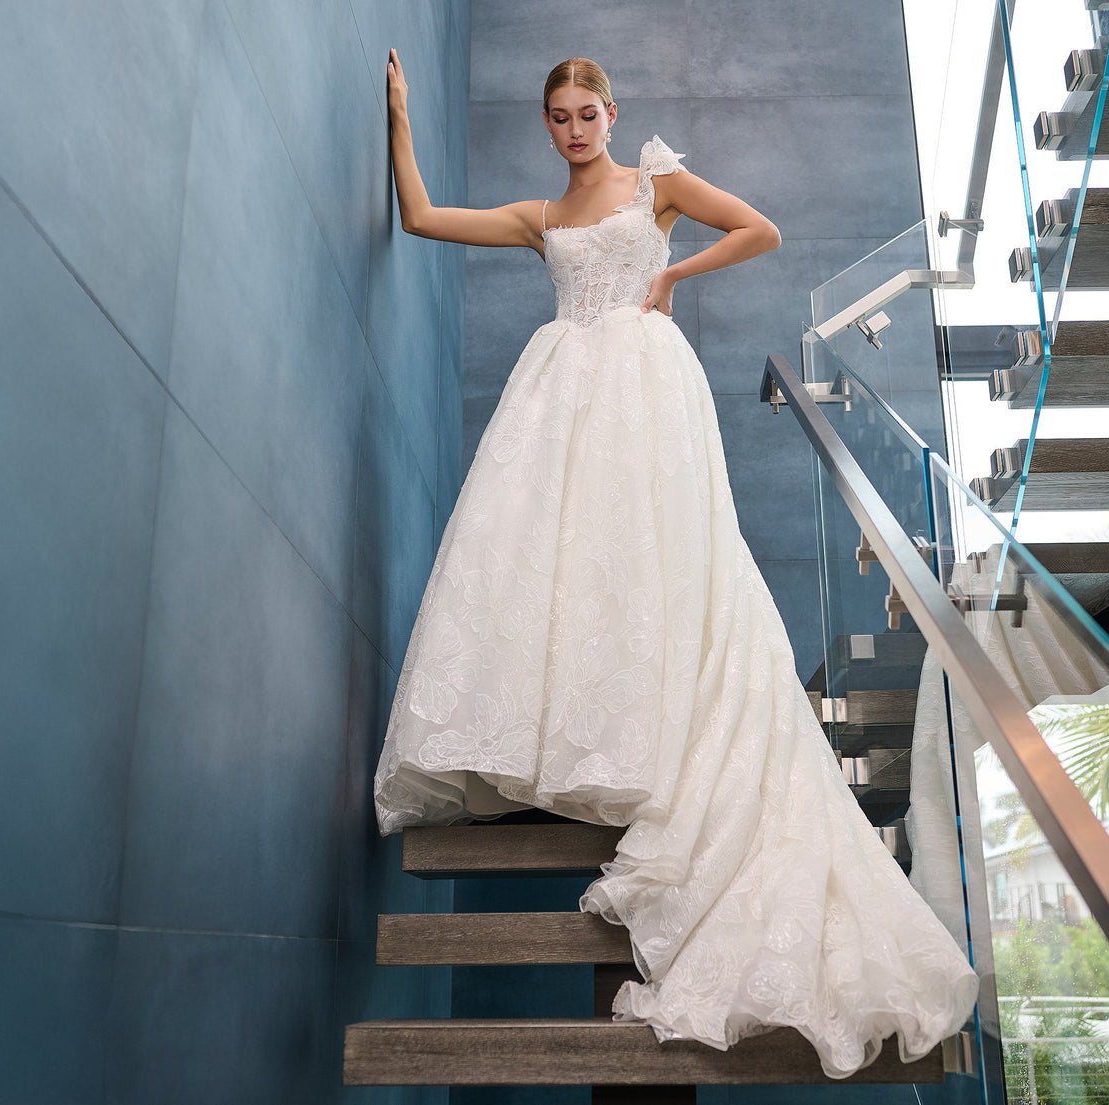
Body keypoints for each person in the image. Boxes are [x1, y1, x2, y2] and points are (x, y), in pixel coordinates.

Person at [373, 51, 978, 1080]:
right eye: (558, 117)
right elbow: (425, 217)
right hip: (560, 391)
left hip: (646, 387)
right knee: (560, 569)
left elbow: (761, 230)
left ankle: (644, 739)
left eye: (586, 113)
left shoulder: (656, 186)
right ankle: (572, 737)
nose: (574, 130)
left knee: (651, 559)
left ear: (612, 115)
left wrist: (671, 273)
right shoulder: (539, 217)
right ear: (549, 125)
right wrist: (397, 116)